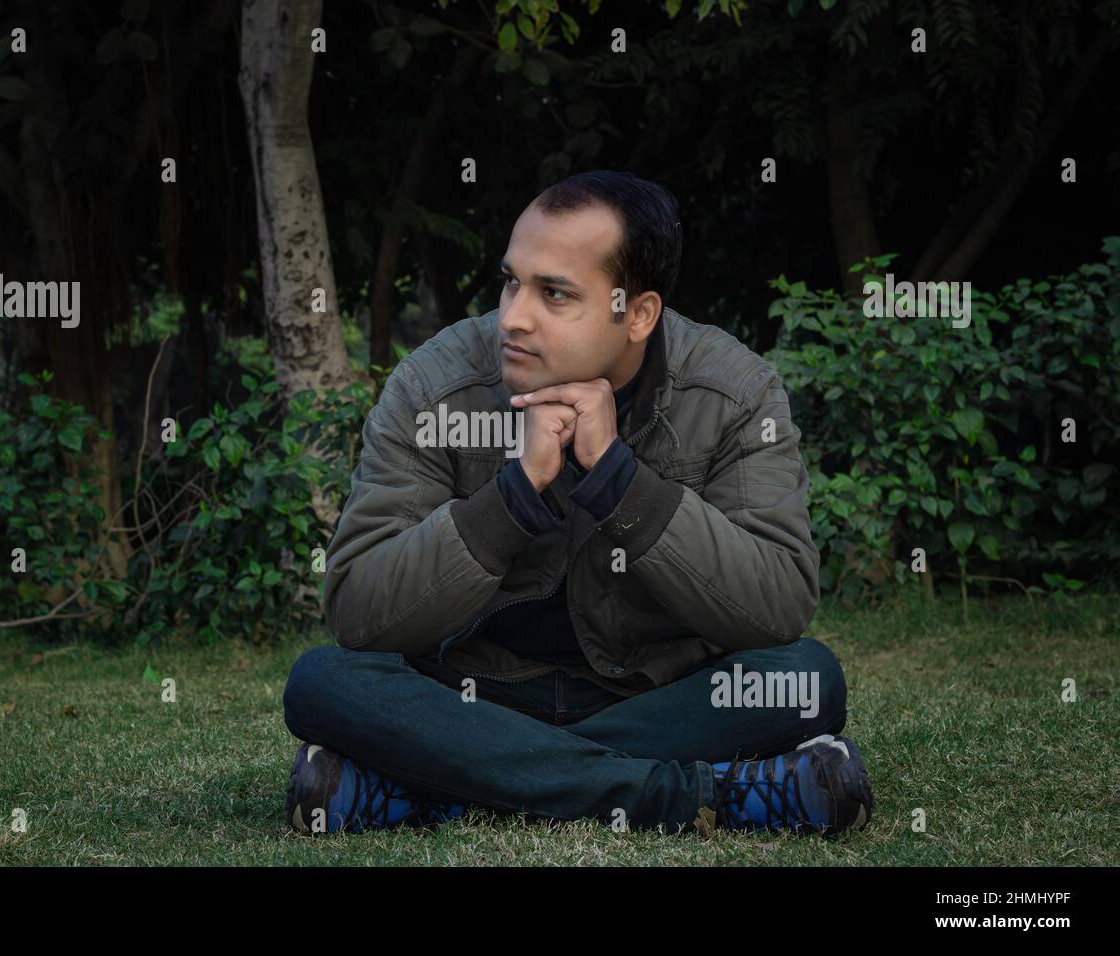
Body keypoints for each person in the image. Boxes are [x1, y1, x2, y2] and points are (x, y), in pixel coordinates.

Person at [282, 170, 874, 838]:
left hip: (653, 695)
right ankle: (696, 794)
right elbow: (359, 611)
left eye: (554, 293)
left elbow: (779, 604)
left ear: (638, 314)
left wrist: (622, 481)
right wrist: (510, 497)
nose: (513, 315)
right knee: (323, 680)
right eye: (511, 281)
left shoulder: (733, 393)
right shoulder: (436, 385)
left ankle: (442, 785)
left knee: (806, 678)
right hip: (472, 691)